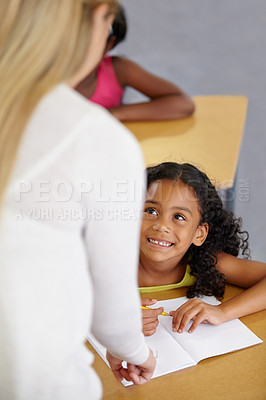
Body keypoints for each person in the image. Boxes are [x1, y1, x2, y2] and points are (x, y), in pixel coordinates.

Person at [0, 1, 156, 399]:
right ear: (89, 21)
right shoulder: (95, 138)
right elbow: (112, 304)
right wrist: (135, 350)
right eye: (107, 23)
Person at [138, 162, 266, 336]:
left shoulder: (205, 262)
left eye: (178, 216)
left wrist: (222, 311)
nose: (162, 226)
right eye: (151, 211)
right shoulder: (107, 261)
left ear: (199, 234)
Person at [75, 4, 195, 121]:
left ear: (109, 44)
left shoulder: (117, 69)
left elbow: (182, 103)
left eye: (88, 35)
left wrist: (112, 115)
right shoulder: (56, 75)